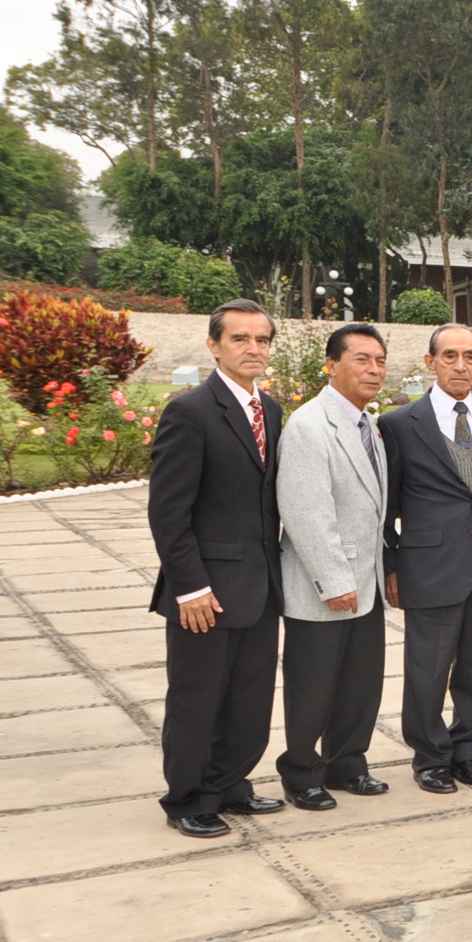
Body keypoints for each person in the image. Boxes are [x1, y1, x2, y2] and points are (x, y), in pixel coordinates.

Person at [148, 300, 288, 837]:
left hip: (259, 585)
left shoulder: (269, 410)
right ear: (214, 345)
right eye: (240, 339)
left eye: (262, 340)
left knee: (249, 697)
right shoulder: (190, 412)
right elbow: (168, 511)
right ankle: (187, 799)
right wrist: (190, 587)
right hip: (206, 590)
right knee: (197, 698)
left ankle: (230, 783)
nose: (254, 349)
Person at [382, 325, 472, 793]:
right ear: (431, 361)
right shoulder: (399, 424)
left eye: (471, 356)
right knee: (428, 670)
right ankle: (430, 756)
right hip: (429, 566)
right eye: (451, 355)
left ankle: (467, 749)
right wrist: (391, 564)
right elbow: (385, 508)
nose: (461, 365)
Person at [274, 323, 394, 809]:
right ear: (332, 364)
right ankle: (302, 773)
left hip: (366, 584)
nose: (373, 370)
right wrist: (335, 582)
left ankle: (348, 764)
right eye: (362, 359)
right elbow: (306, 513)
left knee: (359, 684)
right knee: (313, 687)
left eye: (380, 361)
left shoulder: (370, 424)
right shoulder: (308, 426)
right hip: (325, 586)